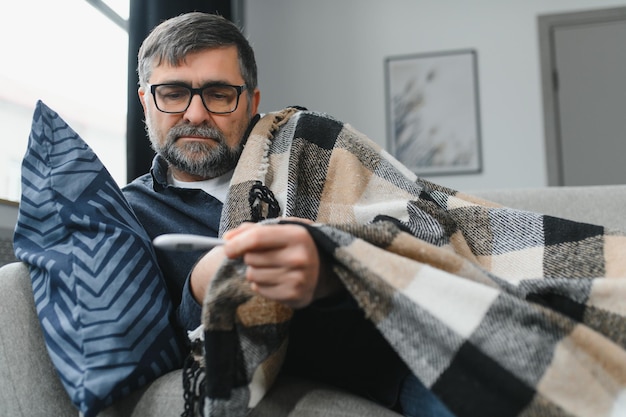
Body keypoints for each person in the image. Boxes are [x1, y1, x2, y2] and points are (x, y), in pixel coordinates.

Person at [122, 11, 452, 417]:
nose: (195, 114)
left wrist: (336, 260)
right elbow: (150, 349)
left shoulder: (309, 142)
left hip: (412, 351)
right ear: (144, 100)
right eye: (172, 93)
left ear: (251, 102)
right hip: (294, 383)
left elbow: (430, 223)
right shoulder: (130, 214)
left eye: (220, 94)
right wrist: (201, 287)